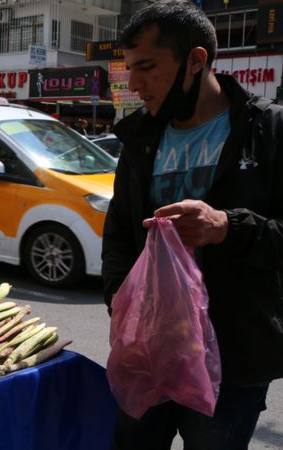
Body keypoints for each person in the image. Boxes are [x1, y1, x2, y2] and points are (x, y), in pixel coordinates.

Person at [102, 1, 283, 449]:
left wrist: (226, 226)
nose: (134, 83)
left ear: (196, 60)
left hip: (233, 363)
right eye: (130, 68)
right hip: (149, 351)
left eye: (146, 67)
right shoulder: (140, 139)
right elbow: (120, 234)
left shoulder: (266, 129)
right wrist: (122, 309)